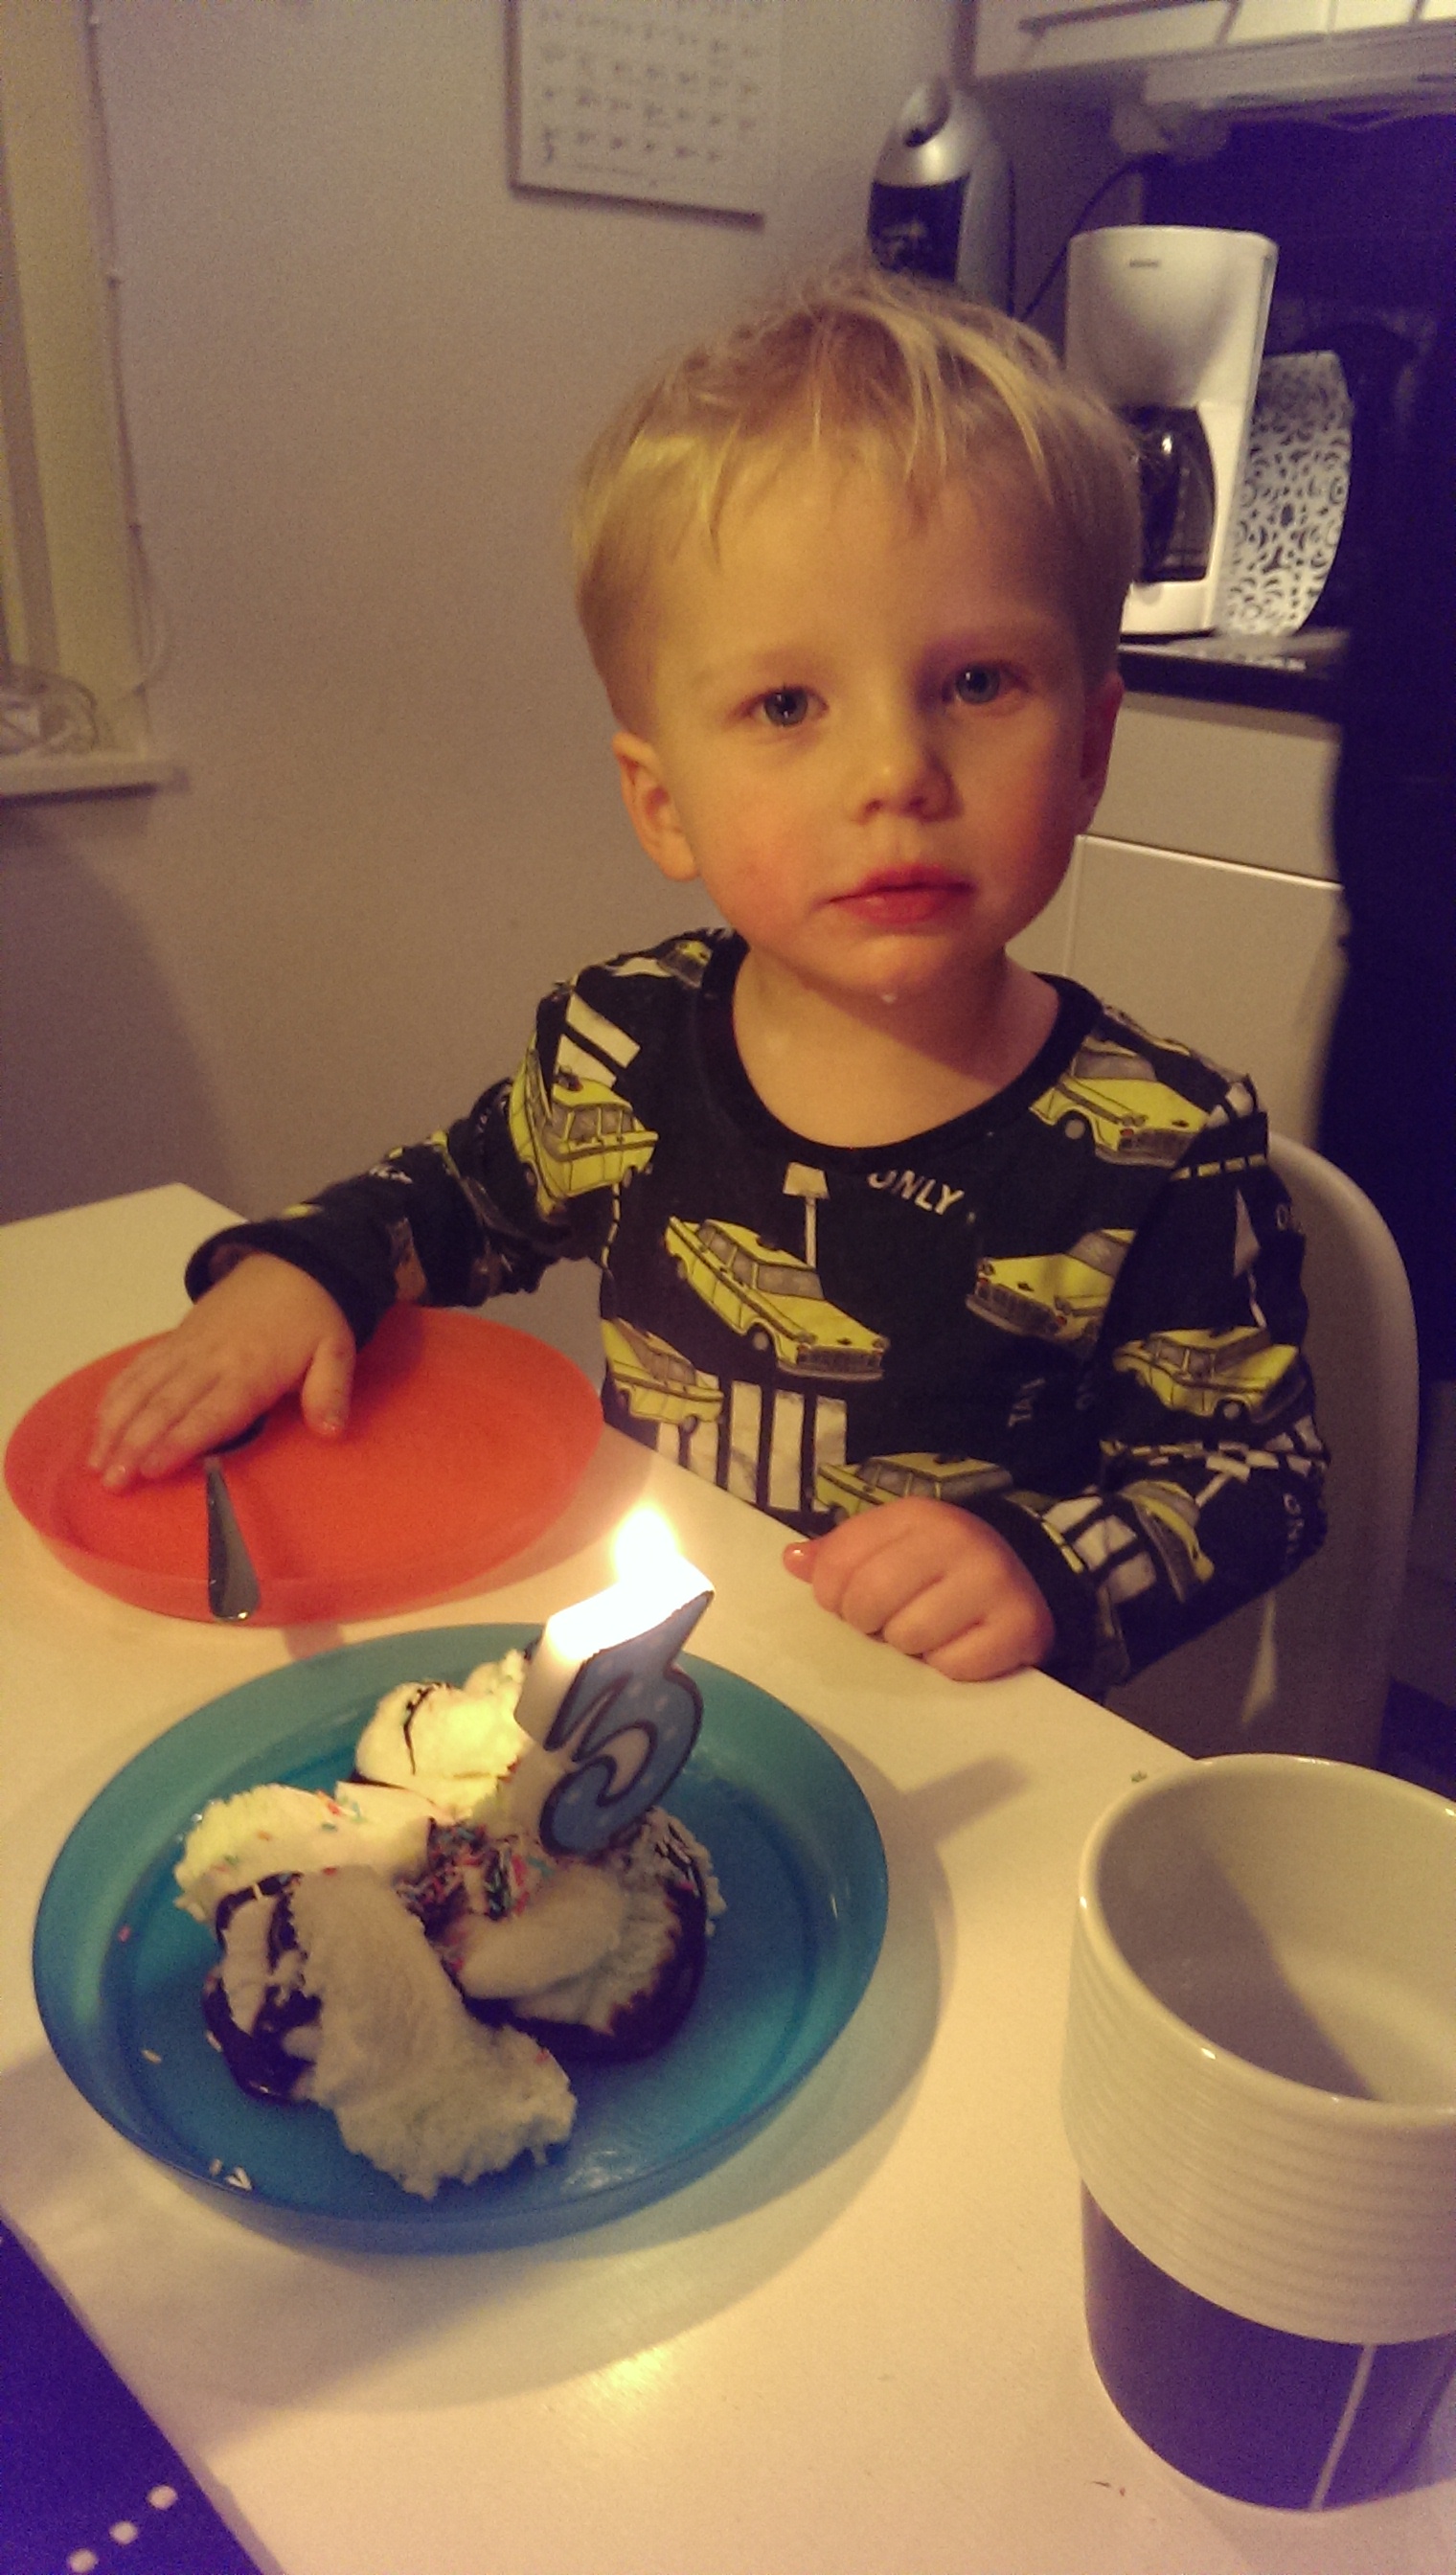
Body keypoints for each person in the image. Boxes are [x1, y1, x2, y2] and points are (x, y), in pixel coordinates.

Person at [88, 263, 1325, 1697]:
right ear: (662, 801)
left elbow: (1260, 1477)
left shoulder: (1167, 1146)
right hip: (674, 1693)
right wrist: (306, 1271)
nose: (896, 774)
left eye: (978, 683)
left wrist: (1049, 1569)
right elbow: (452, 1201)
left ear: (1092, 747)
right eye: (787, 704)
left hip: (965, 1746)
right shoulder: (622, 1047)